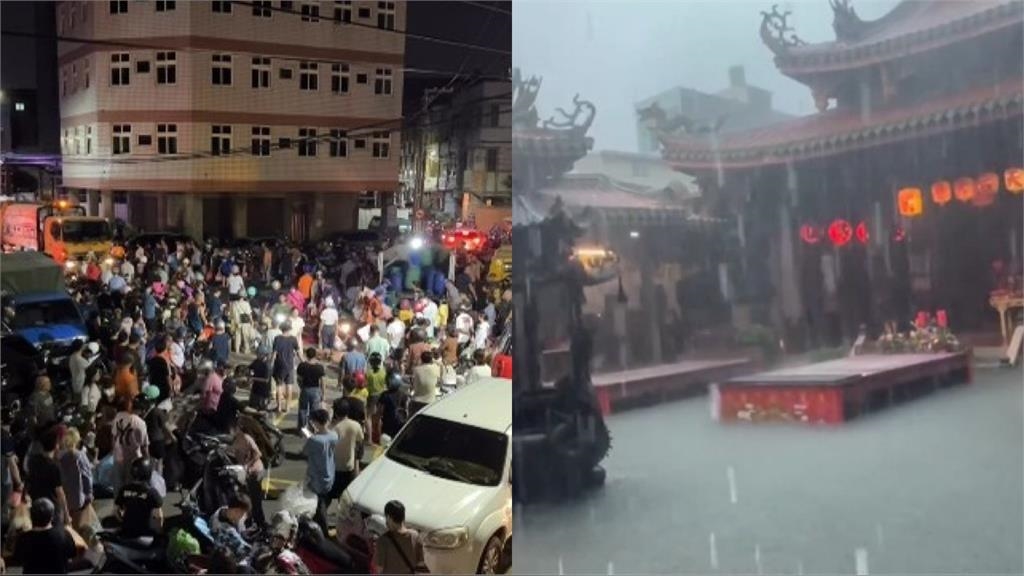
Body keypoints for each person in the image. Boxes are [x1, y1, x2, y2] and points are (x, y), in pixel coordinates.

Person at [13, 498, 77, 574]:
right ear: (52, 517)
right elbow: (72, 554)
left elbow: (17, 560)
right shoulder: (63, 534)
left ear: (31, 516)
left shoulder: (23, 539)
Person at [26, 425, 71, 528]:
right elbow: (60, 493)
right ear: (56, 445)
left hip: (36, 505)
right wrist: (67, 515)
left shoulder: (33, 461)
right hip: (51, 508)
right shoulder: (54, 466)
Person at [301, 409, 336, 535]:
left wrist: (310, 436)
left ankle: (322, 531)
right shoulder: (334, 435)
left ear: (315, 422)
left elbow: (305, 451)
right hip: (330, 474)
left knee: (318, 505)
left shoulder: (315, 440)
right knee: (323, 501)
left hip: (316, 477)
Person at [228, 423, 266, 530]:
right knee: (247, 498)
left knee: (255, 499)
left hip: (255, 471)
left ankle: (260, 523)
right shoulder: (234, 440)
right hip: (246, 473)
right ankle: (250, 522)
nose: (231, 431)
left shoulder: (246, 438)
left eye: (233, 429)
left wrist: (248, 465)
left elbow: (258, 454)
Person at [375, 500, 426, 575]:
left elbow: (379, 569)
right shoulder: (415, 535)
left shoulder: (383, 540)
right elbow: (421, 564)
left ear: (389, 517)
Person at [115, 457, 163, 538]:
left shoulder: (124, 489)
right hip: (145, 534)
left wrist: (124, 521)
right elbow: (159, 516)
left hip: (126, 533)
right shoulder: (151, 492)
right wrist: (158, 533)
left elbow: (116, 512)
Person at [57, 427, 93, 530]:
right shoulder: (80, 456)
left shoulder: (57, 457)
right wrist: (89, 494)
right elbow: (87, 477)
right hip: (78, 499)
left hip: (61, 499)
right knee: (78, 529)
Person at [111, 395, 149, 492]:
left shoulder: (118, 417)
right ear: (142, 410)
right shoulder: (140, 423)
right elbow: (144, 446)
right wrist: (147, 461)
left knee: (118, 488)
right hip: (134, 459)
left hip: (118, 457)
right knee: (131, 488)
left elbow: (113, 437)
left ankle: (118, 502)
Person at [330, 399, 363, 506]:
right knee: (344, 497)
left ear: (335, 412)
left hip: (335, 466)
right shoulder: (355, 425)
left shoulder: (333, 428)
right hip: (349, 466)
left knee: (329, 494)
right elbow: (360, 441)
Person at [271, 322, 300, 414]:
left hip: (279, 365)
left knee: (279, 386)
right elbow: (298, 352)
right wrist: (303, 362)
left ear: (281, 329)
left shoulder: (277, 338)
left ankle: (279, 407)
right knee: (289, 386)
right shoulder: (293, 339)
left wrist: (271, 364)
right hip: (290, 366)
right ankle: (287, 407)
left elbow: (274, 353)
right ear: (290, 329)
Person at [296, 348, 326, 433]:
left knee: (303, 409)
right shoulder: (319, 367)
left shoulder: (302, 366)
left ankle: (302, 429)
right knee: (315, 410)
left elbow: (299, 379)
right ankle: (313, 428)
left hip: (305, 388)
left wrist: (301, 386)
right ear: (315, 355)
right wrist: (323, 394)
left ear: (306, 355)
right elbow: (322, 382)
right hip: (315, 390)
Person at [365, 352, 387, 444]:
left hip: (371, 397)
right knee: (379, 418)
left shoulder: (368, 373)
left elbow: (366, 386)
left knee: (368, 417)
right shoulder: (383, 372)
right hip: (381, 396)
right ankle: (378, 438)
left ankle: (369, 439)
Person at [411, 350, 440, 415]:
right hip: (430, 401)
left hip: (417, 400)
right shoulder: (436, 368)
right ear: (431, 359)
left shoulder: (416, 370)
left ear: (421, 359)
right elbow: (439, 364)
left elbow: (413, 384)